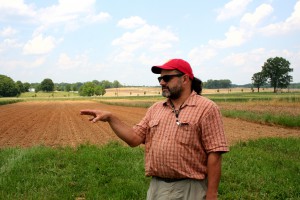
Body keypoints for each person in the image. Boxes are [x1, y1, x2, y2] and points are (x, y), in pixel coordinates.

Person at [80, 58, 229, 200]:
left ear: (185, 79)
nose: (162, 82)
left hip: (191, 188)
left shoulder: (207, 108)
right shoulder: (156, 109)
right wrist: (111, 118)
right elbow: (134, 138)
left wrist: (212, 195)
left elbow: (214, 154)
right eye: (160, 79)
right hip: (157, 187)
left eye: (167, 78)